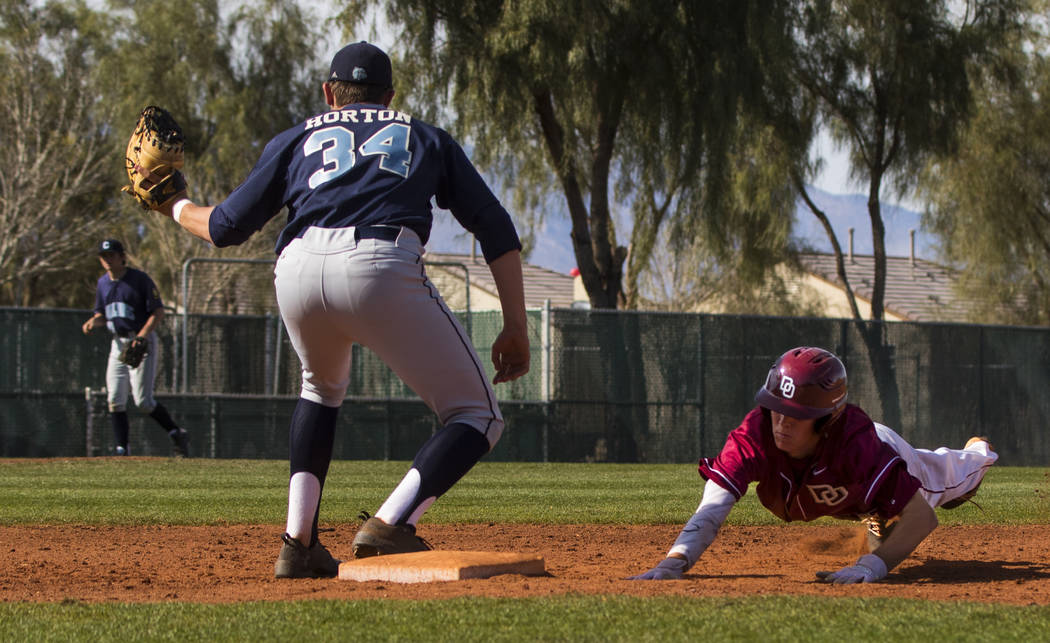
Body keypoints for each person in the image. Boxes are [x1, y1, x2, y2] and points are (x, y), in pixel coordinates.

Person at [157, 41, 531, 579]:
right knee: (478, 415)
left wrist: (173, 203)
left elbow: (223, 228)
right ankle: (390, 523)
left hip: (298, 267)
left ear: (331, 93)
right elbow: (495, 228)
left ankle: (298, 542)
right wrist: (515, 324)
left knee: (320, 388)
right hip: (380, 262)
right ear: (391, 96)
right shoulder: (423, 135)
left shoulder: (297, 138)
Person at [630, 346, 998, 584]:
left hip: (890, 456)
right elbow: (713, 504)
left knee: (947, 488)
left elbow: (923, 519)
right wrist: (676, 559)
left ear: (827, 419)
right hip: (846, 485)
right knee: (879, 510)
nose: (781, 421)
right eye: (776, 408)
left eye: (797, 415)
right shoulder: (755, 433)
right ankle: (878, 511)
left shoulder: (859, 446)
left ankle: (977, 451)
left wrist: (871, 567)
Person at [82, 238, 191, 458]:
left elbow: (157, 312)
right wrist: (94, 321)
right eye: (104, 256)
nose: (107, 259)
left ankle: (176, 432)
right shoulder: (103, 283)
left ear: (122, 256)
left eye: (111, 255)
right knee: (115, 397)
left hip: (141, 341)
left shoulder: (139, 280)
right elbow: (102, 314)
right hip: (118, 343)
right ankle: (122, 449)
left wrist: (141, 336)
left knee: (143, 401)